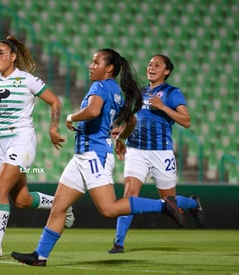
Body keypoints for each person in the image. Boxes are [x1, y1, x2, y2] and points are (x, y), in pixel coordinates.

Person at [11, 48, 185, 267]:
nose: (91, 66)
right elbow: (130, 121)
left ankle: (163, 206)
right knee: (59, 207)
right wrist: (121, 139)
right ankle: (40, 256)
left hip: (94, 155)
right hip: (82, 156)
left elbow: (93, 111)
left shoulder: (100, 86)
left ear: (109, 68)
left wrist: (71, 116)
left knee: (109, 208)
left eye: (96, 62)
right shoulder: (116, 91)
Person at [0, 35, 75, 258]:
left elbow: (55, 102)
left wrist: (53, 129)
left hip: (22, 141)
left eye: (1, 53)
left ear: (13, 57)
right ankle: (63, 205)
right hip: (1, 144)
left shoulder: (27, 79)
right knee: (22, 200)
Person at [107, 54, 206, 254]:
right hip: (136, 150)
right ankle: (118, 243)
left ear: (166, 71)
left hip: (161, 153)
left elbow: (186, 121)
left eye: (157, 65)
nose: (151, 67)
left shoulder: (172, 93)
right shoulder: (139, 92)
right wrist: (122, 133)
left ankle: (193, 203)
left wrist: (163, 108)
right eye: (150, 64)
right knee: (129, 195)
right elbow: (134, 120)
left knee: (171, 202)